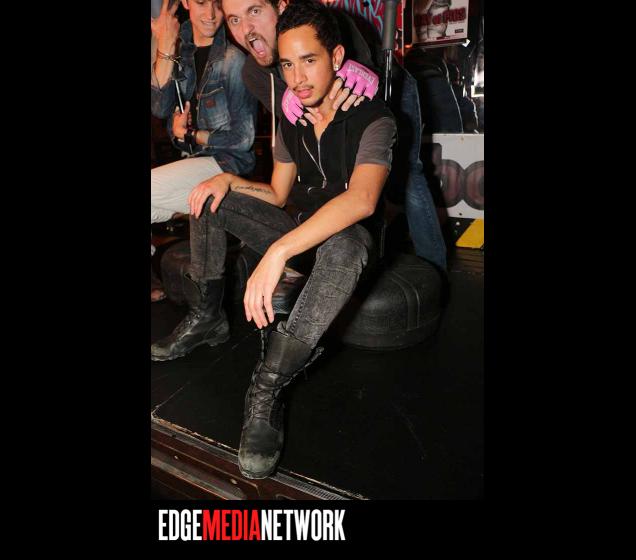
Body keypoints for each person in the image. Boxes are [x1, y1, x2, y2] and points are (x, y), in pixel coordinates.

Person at [176, 0, 397, 479]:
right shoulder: (291, 118)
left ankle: (266, 390)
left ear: (337, 58)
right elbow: (277, 193)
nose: (297, 78)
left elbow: (362, 200)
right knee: (209, 197)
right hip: (296, 231)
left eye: (309, 60)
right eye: (288, 65)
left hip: (345, 247)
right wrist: (229, 182)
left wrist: (279, 251)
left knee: (346, 243)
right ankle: (207, 317)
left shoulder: (374, 118)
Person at [222, 0, 447, 272]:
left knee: (409, 173)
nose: (247, 29)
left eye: (255, 11)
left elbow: (372, 85)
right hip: (328, 120)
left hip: (387, 86)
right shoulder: (252, 72)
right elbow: (299, 126)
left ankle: (435, 271)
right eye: (234, 20)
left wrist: (360, 73)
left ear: (280, 8)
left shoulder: (328, 20)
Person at [150, 0, 257, 301]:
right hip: (194, 164)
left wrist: (192, 135)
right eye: (200, 2)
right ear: (185, 2)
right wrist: (165, 43)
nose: (210, 14)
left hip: (227, 165)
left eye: (217, 4)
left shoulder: (234, 59)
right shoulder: (180, 52)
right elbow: (159, 108)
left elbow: (243, 139)